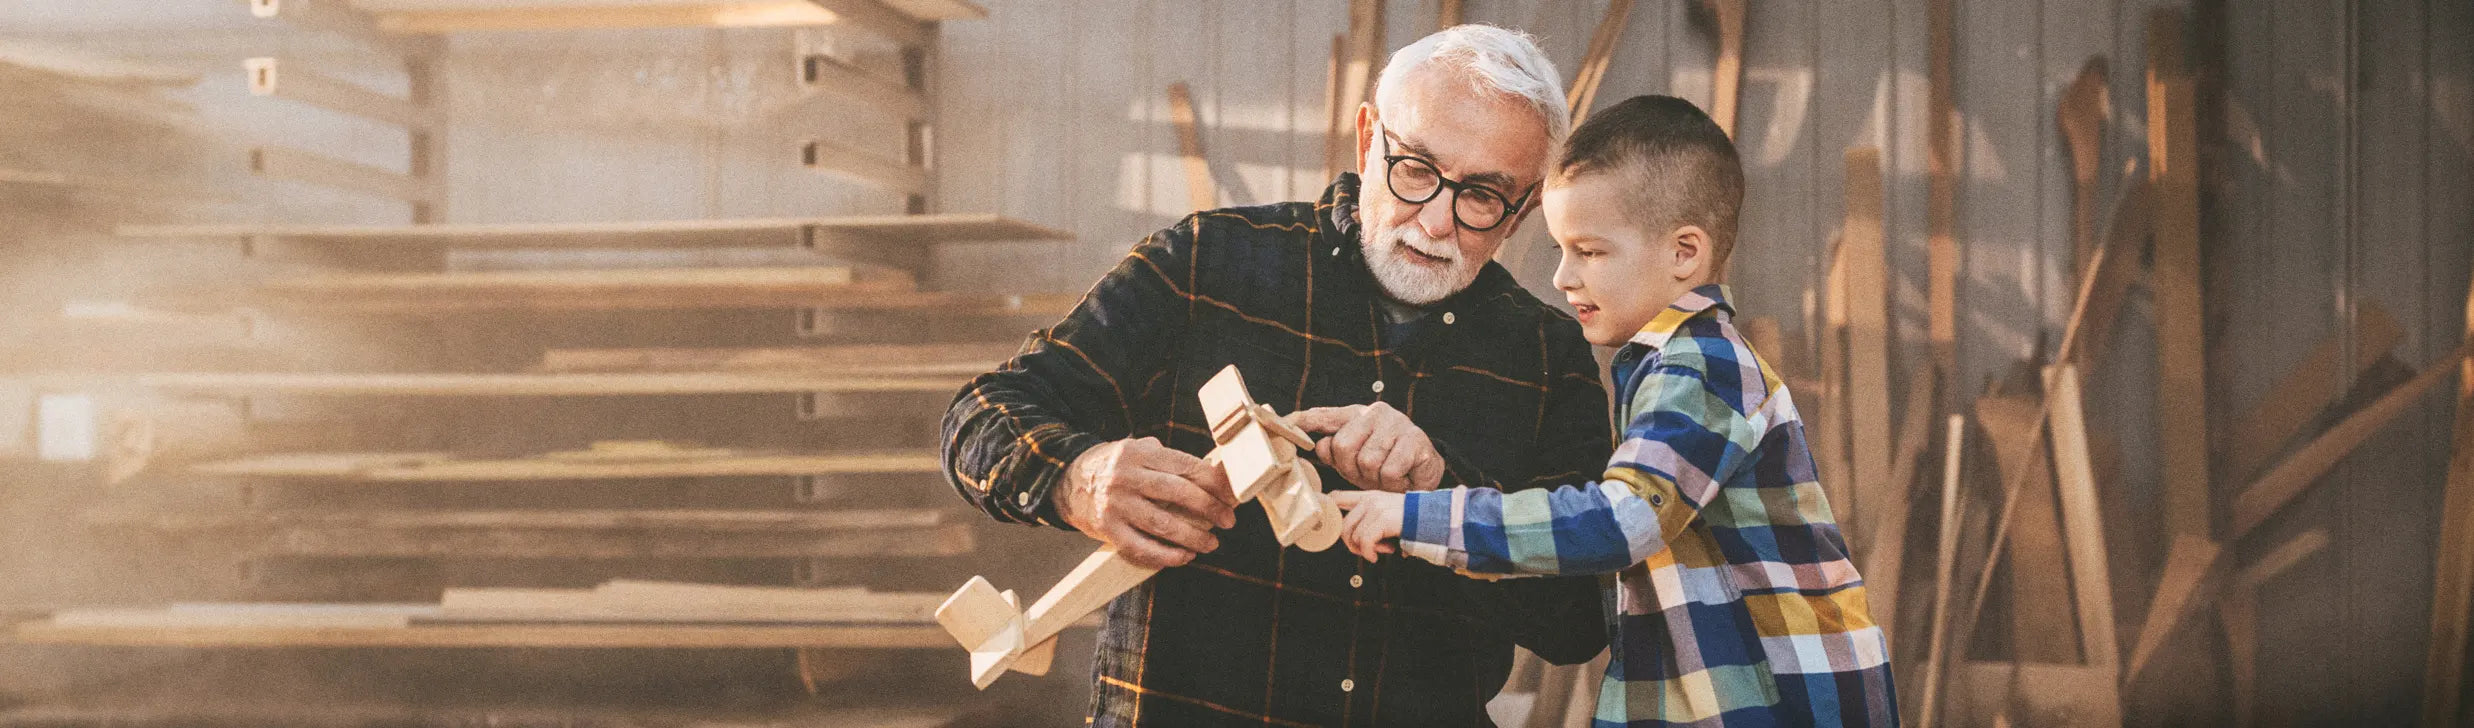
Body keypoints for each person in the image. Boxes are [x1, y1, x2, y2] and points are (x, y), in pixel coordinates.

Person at [939, 24, 1617, 726]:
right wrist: (1077, 476)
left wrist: (1444, 495)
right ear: (1368, 138)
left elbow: (1577, 623)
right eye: (1415, 169)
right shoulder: (1207, 264)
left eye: (1482, 195)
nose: (1438, 222)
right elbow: (980, 415)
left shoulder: (1547, 355)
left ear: (1526, 207)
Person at [1319, 95, 1898, 727]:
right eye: (1562, 250)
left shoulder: (1701, 367)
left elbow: (1624, 519)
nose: (1564, 278)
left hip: (1779, 706)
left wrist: (1417, 516)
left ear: (1684, 253)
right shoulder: (1667, 366)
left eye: (1589, 252)